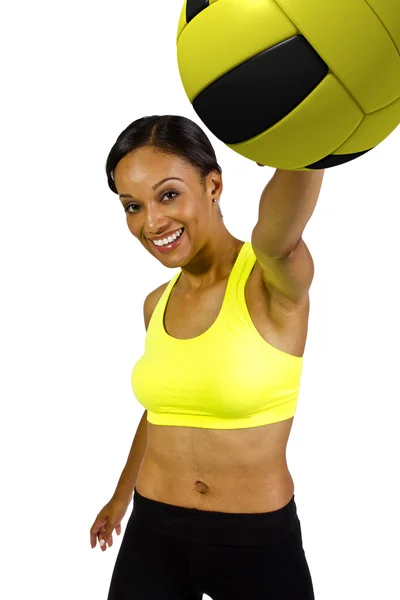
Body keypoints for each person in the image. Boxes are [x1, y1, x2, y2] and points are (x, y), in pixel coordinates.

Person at [90, 114, 325, 599]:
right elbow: (161, 412)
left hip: (255, 541)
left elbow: (279, 232)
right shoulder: (156, 303)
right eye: (132, 206)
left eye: (168, 194)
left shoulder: (269, 280)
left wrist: (304, 151)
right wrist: (120, 497)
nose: (151, 222)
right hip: (153, 530)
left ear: (213, 184)